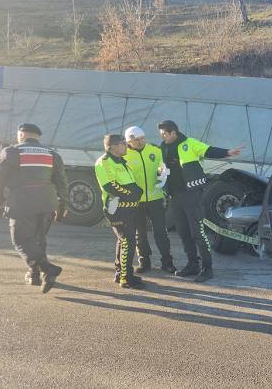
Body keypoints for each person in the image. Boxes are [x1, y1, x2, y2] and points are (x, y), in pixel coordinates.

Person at [158, 120, 243, 282]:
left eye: (164, 134)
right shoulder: (163, 147)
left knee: (197, 231)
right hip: (175, 195)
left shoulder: (189, 143)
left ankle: (207, 267)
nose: (162, 137)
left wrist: (228, 152)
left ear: (173, 133)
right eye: (161, 134)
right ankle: (192, 264)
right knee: (183, 231)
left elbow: (208, 150)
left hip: (191, 193)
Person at [0, 123, 68, 293]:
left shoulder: (12, 152)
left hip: (22, 203)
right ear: (38, 136)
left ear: (22, 135)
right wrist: (62, 204)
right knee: (38, 240)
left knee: (21, 241)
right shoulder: (52, 154)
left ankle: (47, 269)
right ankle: (36, 275)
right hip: (47, 204)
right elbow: (61, 182)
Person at [123, 126, 177, 274]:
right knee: (140, 234)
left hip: (155, 198)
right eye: (136, 140)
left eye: (142, 139)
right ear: (129, 141)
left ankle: (167, 262)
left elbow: (163, 168)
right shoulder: (124, 155)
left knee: (161, 232)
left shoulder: (155, 150)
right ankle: (144, 262)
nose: (140, 142)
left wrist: (162, 173)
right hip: (136, 201)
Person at [94, 134, 144, 289]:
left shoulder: (122, 161)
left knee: (123, 241)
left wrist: (135, 192)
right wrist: (131, 193)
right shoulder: (104, 162)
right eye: (123, 143)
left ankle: (120, 273)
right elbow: (110, 186)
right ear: (113, 147)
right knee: (128, 241)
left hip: (129, 207)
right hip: (117, 208)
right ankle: (125, 278)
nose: (126, 146)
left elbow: (128, 182)